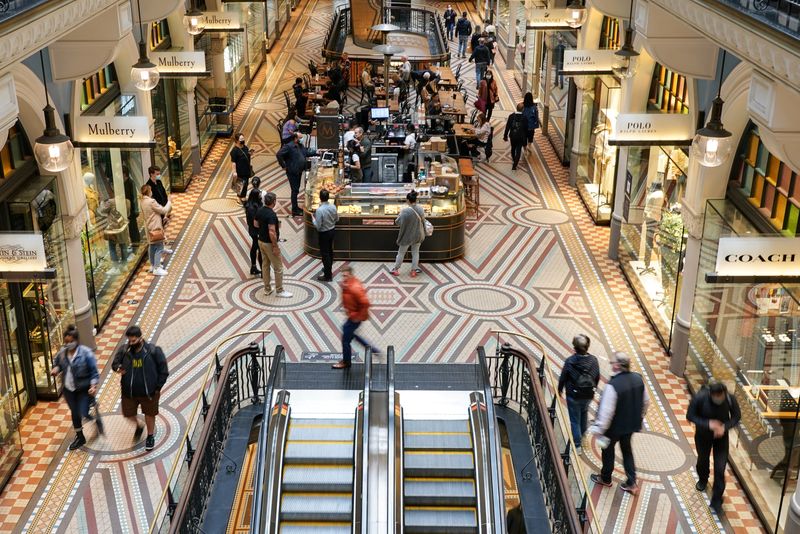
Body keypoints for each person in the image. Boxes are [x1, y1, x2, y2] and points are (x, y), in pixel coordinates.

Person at [589, 351, 650, 495]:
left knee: (608, 451)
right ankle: (631, 482)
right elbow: (646, 401)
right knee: (627, 450)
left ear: (617, 366)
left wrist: (599, 429)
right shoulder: (638, 379)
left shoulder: (613, 385)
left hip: (613, 428)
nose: (611, 365)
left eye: (612, 363)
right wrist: (640, 416)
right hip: (630, 425)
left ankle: (605, 478)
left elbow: (606, 412)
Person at [687, 379, 741, 514]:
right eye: (715, 397)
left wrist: (724, 427)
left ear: (724, 393)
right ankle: (703, 478)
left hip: (721, 439)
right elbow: (690, 415)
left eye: (720, 396)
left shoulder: (730, 399)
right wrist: (708, 424)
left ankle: (716, 501)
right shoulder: (700, 397)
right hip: (703, 436)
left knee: (720, 469)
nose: (718, 399)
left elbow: (736, 417)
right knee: (703, 460)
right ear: (710, 394)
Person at [111, 325, 169, 452]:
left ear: (140, 338)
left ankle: (150, 436)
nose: (131, 343)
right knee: (128, 414)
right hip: (129, 392)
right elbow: (114, 364)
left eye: (134, 341)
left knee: (149, 414)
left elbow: (163, 371)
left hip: (149, 392)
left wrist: (157, 387)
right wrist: (118, 368)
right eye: (129, 341)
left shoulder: (153, 351)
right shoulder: (124, 350)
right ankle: (139, 426)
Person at [50, 326, 101, 451]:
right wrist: (56, 369)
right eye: (66, 342)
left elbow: (94, 372)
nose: (68, 344)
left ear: (76, 341)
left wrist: (93, 386)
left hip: (83, 389)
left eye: (70, 341)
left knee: (83, 412)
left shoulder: (86, 354)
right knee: (75, 412)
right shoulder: (62, 353)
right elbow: (57, 363)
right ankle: (80, 437)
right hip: (69, 390)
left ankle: (95, 418)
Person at [557, 334, 600, 454]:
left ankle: (577, 445)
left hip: (573, 396)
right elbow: (597, 377)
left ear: (574, 347)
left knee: (575, 420)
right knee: (584, 413)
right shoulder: (593, 360)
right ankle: (583, 435)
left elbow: (563, 377)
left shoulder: (570, 361)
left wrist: (559, 389)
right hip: (588, 395)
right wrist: (593, 388)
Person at [334, 265, 379, 369]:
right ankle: (373, 350)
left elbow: (365, 303)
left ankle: (346, 362)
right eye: (343, 275)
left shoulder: (354, 287)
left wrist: (357, 316)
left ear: (351, 275)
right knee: (350, 334)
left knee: (345, 339)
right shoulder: (348, 284)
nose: (344, 277)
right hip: (352, 315)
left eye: (346, 275)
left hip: (355, 317)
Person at [255, 191, 292, 298]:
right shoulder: (271, 214)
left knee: (265, 266)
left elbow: (255, 224)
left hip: (260, 241)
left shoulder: (260, 210)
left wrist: (263, 228)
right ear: (274, 202)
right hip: (269, 244)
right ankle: (280, 291)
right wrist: (275, 246)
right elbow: (272, 231)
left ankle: (267, 289)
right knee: (278, 267)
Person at [390, 190, 426, 277]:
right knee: (415, 252)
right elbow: (423, 220)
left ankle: (396, 269)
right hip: (418, 235)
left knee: (401, 252)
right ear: (416, 200)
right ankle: (413, 271)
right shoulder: (420, 209)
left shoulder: (405, 211)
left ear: (408, 200)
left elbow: (397, 222)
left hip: (407, 235)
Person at [277, 132, 312, 216]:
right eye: (300, 137)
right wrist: (284, 166)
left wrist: (318, 152)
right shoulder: (289, 146)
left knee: (296, 189)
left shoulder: (300, 146)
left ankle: (296, 207)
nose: (302, 139)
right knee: (294, 190)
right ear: (295, 138)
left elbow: (306, 153)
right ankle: (294, 210)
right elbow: (278, 154)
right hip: (292, 171)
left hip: (299, 171)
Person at [141, 184, 172, 275]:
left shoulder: (142, 201)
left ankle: (153, 265)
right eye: (150, 190)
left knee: (152, 246)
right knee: (159, 247)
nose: (151, 192)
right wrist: (169, 202)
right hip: (155, 226)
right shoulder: (151, 201)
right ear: (149, 191)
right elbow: (163, 210)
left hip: (148, 226)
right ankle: (157, 268)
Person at [312, 189, 338, 282]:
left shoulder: (319, 210)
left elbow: (318, 226)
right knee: (330, 251)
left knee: (325, 254)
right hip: (332, 231)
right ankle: (328, 268)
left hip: (324, 233)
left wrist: (313, 219)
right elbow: (336, 219)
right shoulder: (333, 207)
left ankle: (328, 275)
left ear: (320, 198)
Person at [504, 103, 528, 170]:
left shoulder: (511, 116)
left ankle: (514, 160)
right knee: (518, 151)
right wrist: (526, 140)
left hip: (513, 136)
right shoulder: (525, 118)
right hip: (520, 137)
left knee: (513, 148)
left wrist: (505, 136)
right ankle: (514, 165)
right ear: (523, 109)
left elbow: (507, 127)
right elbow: (526, 129)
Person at [244, 189, 262, 276]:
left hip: (253, 230)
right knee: (258, 248)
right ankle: (260, 269)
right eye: (259, 195)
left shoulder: (252, 205)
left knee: (255, 247)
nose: (260, 196)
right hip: (255, 230)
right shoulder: (251, 208)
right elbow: (254, 221)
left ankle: (254, 267)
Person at [231, 133, 255, 200]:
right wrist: (234, 172)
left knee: (246, 184)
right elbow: (233, 162)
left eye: (243, 139)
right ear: (237, 141)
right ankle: (239, 197)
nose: (243, 140)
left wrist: (250, 154)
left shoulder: (245, 147)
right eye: (241, 139)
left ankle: (243, 196)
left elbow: (247, 154)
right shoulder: (234, 151)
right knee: (240, 184)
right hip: (240, 171)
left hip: (246, 170)